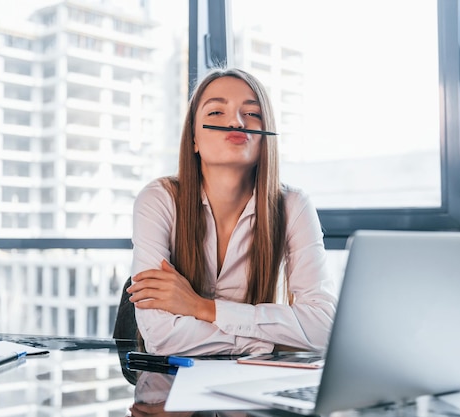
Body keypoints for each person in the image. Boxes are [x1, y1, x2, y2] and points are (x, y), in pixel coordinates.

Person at [127, 67, 336, 356]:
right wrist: (272, 342)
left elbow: (323, 328)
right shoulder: (159, 200)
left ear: (265, 139)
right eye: (215, 113)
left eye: (252, 114)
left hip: (254, 382)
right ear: (194, 140)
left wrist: (201, 308)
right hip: (171, 385)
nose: (236, 123)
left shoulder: (293, 205)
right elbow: (163, 338)